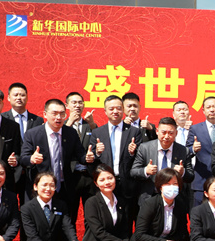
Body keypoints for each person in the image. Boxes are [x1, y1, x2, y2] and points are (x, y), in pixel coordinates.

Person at [20, 98, 95, 202]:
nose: (58, 117)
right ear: (45, 114)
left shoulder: (71, 133)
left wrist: (88, 157)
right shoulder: (32, 134)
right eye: (54, 114)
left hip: (65, 187)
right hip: (42, 187)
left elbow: (81, 155)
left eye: (62, 114)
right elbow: (23, 159)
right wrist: (32, 159)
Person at [90, 94, 143, 214]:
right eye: (111, 109)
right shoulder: (97, 132)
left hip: (126, 184)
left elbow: (140, 158)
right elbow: (91, 158)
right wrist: (97, 153)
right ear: (105, 111)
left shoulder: (134, 131)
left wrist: (132, 152)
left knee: (126, 218)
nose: (115, 111)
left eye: (118, 108)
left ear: (123, 110)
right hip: (106, 184)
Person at [131, 117, 193, 207]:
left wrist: (183, 172)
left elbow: (191, 176)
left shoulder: (183, 151)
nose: (166, 136)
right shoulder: (144, 148)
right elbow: (133, 171)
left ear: (176, 133)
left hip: (175, 200)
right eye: (163, 132)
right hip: (150, 197)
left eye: (171, 133)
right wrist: (145, 171)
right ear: (157, 131)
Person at [20, 172, 82, 241]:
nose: (48, 189)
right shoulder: (27, 208)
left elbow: (67, 226)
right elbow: (32, 236)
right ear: (35, 187)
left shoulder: (61, 205)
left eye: (52, 185)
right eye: (44, 185)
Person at [2, 82, 43, 205]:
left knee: (29, 206)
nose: (19, 98)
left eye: (22, 95)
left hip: (31, 172)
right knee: (9, 206)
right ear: (8, 97)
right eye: (15, 95)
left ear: (27, 97)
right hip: (10, 172)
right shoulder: (2, 119)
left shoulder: (37, 120)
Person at [189, 96, 215, 207]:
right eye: (208, 107)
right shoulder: (195, 129)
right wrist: (193, 149)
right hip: (201, 181)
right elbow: (186, 151)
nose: (212, 110)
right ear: (203, 110)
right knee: (198, 214)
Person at [64, 91, 97, 222]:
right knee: (70, 212)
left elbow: (99, 140)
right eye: (74, 103)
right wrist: (69, 123)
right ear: (67, 106)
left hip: (88, 174)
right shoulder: (62, 125)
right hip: (70, 175)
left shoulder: (89, 125)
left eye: (80, 103)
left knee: (91, 213)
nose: (77, 105)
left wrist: (92, 124)